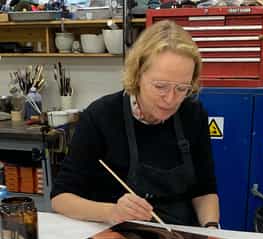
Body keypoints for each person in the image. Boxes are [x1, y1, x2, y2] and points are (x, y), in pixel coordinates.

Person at [51, 20, 220, 228]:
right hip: (120, 238)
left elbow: (204, 190)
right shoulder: (101, 116)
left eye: (182, 88)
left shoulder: (193, 114)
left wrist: (211, 230)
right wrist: (112, 211)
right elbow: (61, 198)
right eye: (160, 86)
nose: (170, 99)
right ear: (138, 74)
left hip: (181, 237)